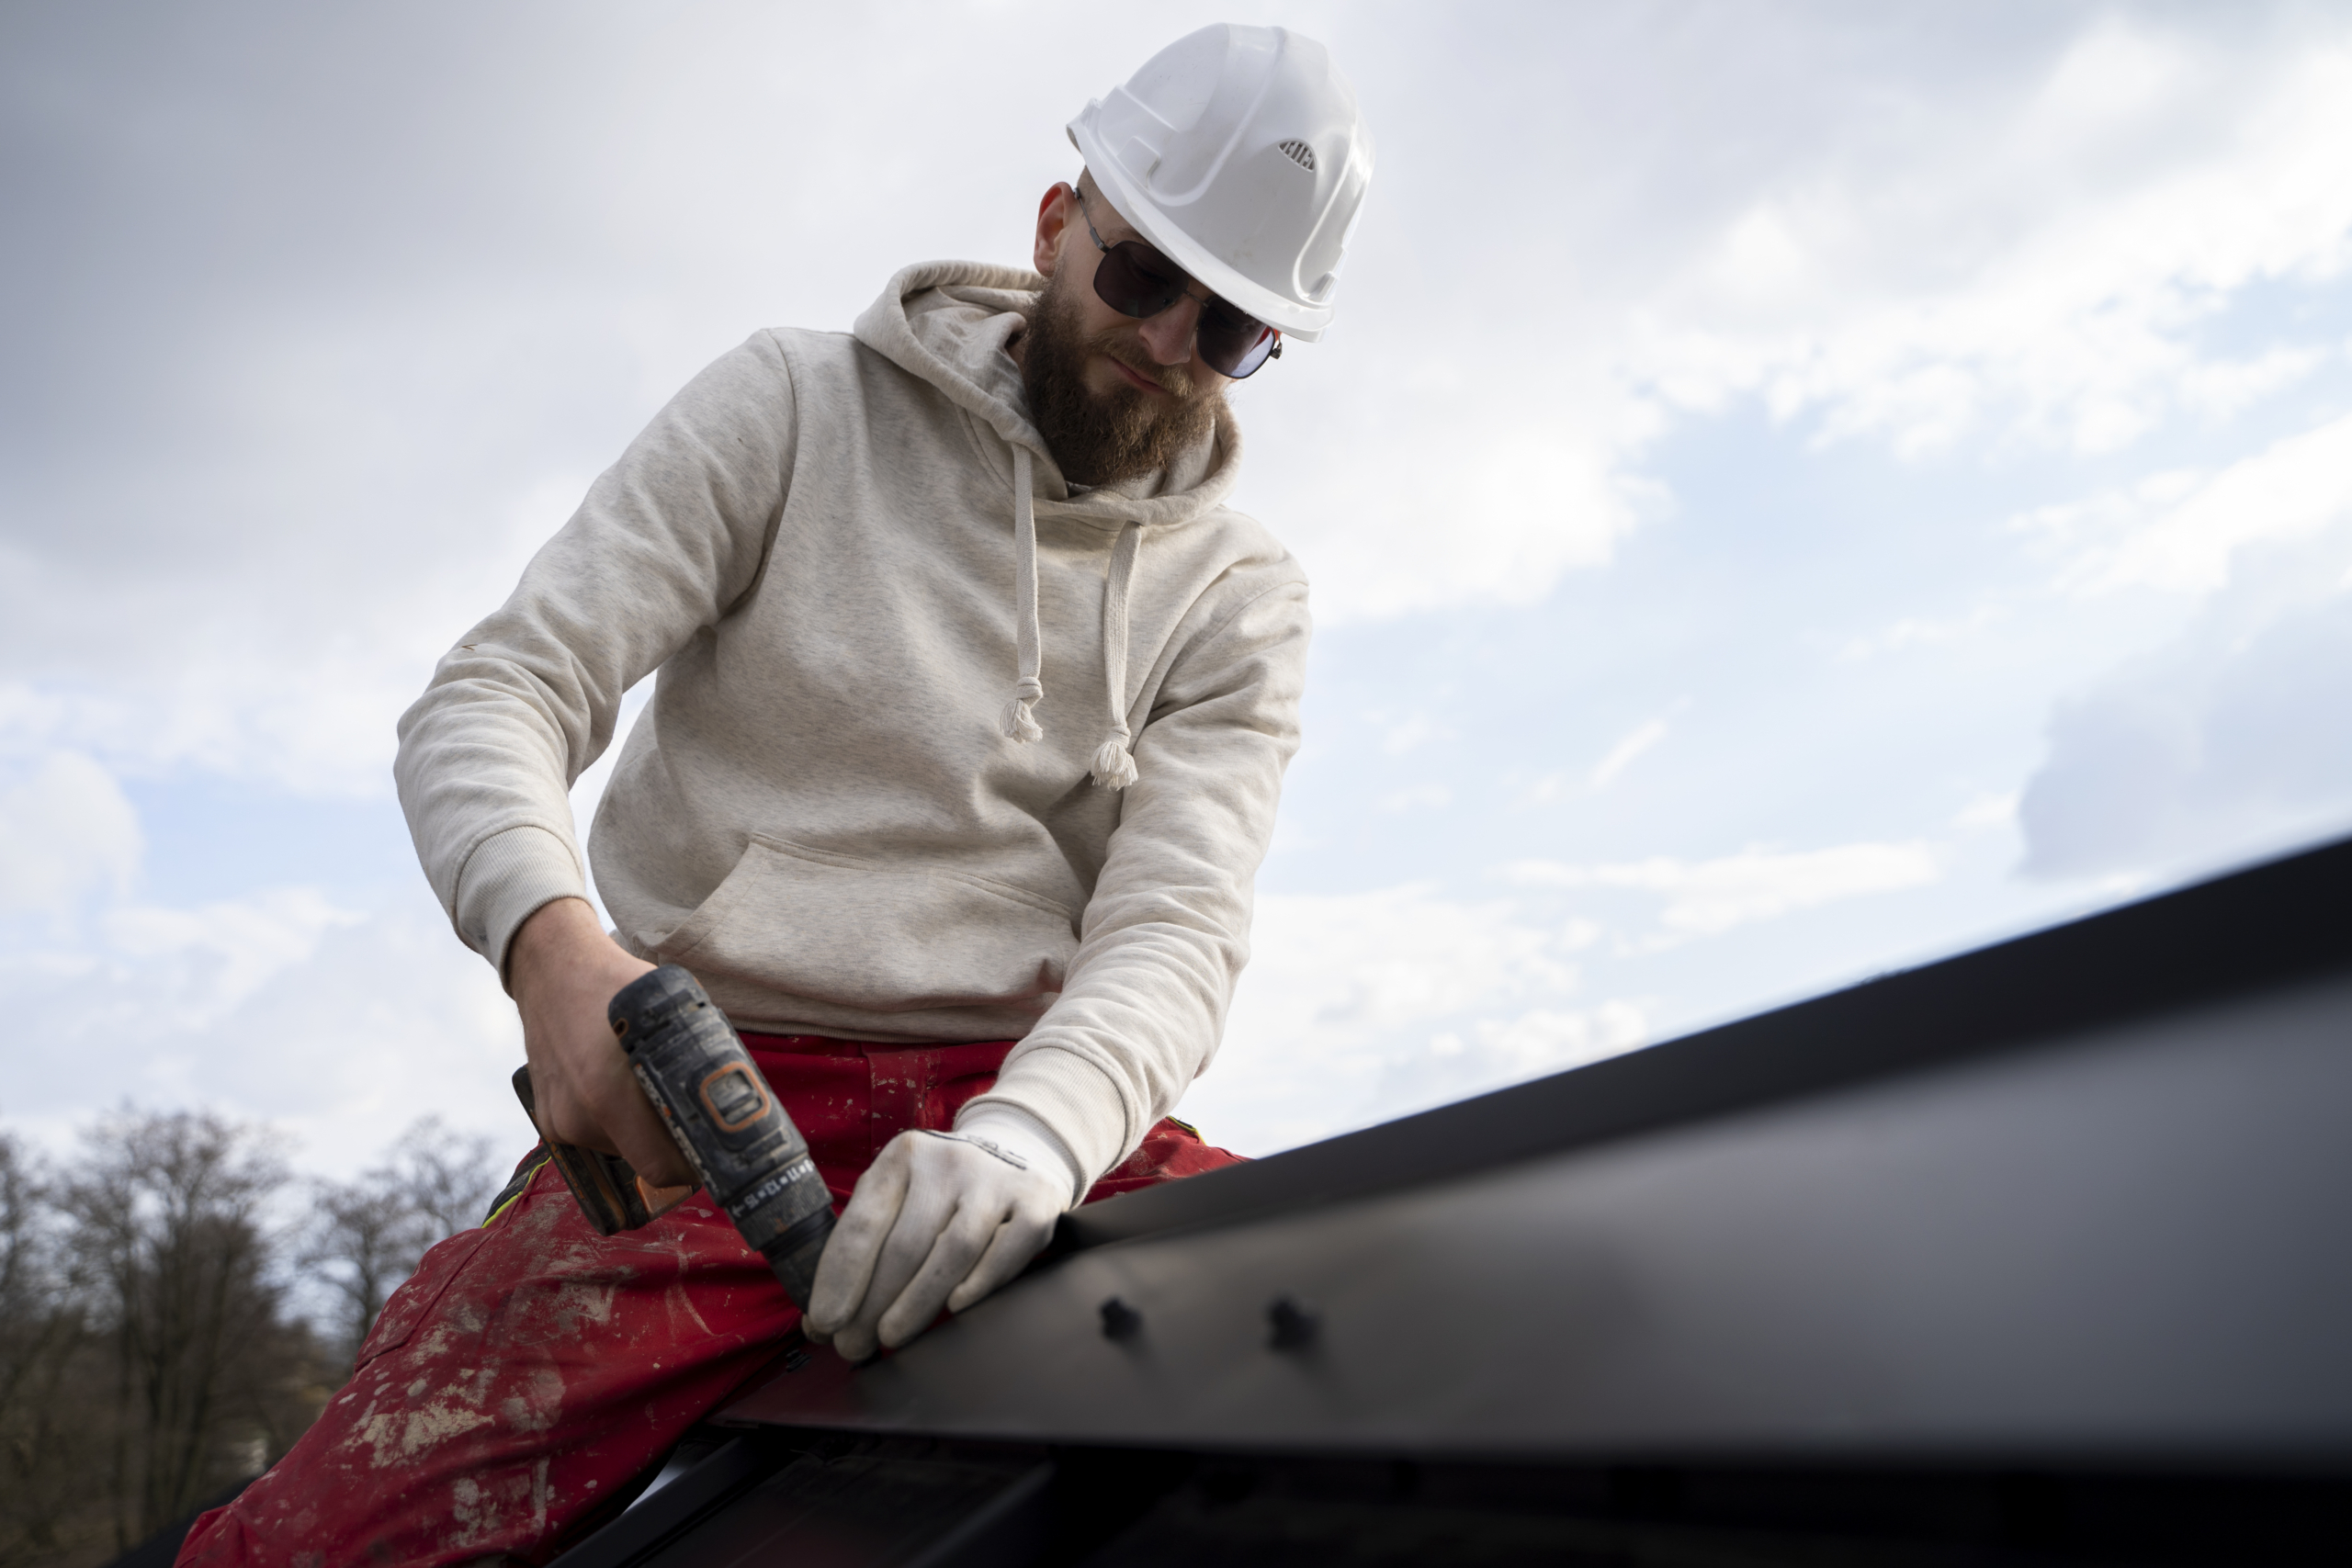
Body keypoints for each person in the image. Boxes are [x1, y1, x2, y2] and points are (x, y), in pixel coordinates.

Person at [178, 22, 1372, 1567]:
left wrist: (1027, 1149)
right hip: (709, 1126)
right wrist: (557, 958)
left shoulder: (1242, 595)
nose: (1170, 346)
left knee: (1371, 1400)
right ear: (1055, 224)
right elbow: (497, 695)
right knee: (315, 1550)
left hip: (1026, 1123)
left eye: (1233, 333)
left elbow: (1178, 931)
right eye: (1146, 277)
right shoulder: (791, 407)